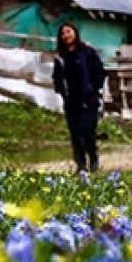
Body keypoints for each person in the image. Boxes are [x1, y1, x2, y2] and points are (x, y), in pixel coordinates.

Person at [52, 22, 106, 172]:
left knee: (88, 130)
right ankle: (80, 165)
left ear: (75, 33)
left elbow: (100, 72)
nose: (66, 35)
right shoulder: (60, 57)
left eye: (68, 32)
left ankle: (93, 158)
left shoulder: (87, 52)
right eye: (63, 33)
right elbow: (56, 77)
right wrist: (61, 91)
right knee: (75, 134)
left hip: (89, 99)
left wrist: (93, 88)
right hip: (71, 101)